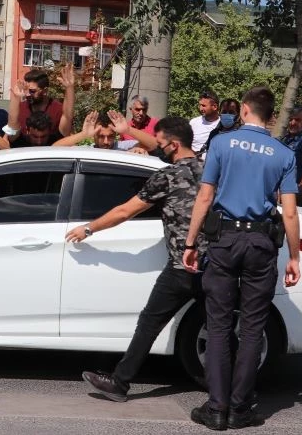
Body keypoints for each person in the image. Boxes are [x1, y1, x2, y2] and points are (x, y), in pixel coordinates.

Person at [182, 85, 301, 430]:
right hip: (262, 244)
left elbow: (205, 197)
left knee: (218, 324)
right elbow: (290, 213)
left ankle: (216, 408)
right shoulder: (283, 154)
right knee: (252, 327)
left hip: (225, 240)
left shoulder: (221, 143)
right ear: (270, 116)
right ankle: (240, 408)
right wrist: (295, 257)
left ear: (245, 110)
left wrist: (191, 242)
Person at [67, 117, 206, 402]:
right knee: (219, 326)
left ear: (174, 145)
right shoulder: (213, 170)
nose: (159, 147)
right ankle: (229, 390)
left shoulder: (168, 176)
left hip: (183, 266)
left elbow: (124, 212)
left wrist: (88, 228)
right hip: (218, 265)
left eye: (162, 143)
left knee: (150, 322)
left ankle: (120, 382)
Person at [7, 64, 74, 138]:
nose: (28, 94)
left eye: (32, 91)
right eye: (26, 89)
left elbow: (67, 118)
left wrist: (69, 87)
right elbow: (11, 132)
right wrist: (16, 97)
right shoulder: (20, 108)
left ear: (44, 91)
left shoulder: (57, 109)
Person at [52, 110, 157, 151]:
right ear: (93, 135)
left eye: (110, 136)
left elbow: (154, 145)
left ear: (115, 134)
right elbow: (54, 149)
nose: (106, 142)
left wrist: (128, 130)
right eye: (101, 136)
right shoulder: (85, 151)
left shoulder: (124, 148)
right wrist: (83, 134)